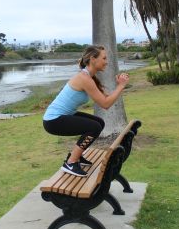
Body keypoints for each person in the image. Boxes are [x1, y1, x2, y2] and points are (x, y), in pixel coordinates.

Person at [42, 45, 129, 177]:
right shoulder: (84, 78)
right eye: (104, 58)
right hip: (53, 120)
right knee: (94, 127)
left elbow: (105, 98)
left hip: (62, 116)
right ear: (93, 59)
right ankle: (70, 163)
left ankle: (76, 156)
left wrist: (119, 86)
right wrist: (121, 86)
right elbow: (105, 104)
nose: (106, 61)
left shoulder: (89, 77)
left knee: (99, 122)